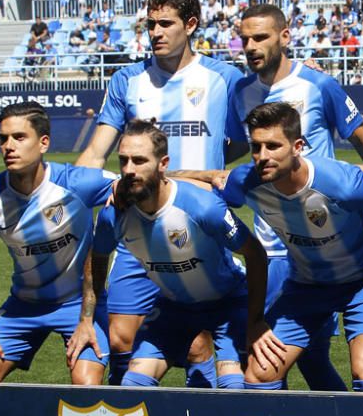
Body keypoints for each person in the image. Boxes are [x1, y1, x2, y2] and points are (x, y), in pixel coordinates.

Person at [75, 0, 246, 386]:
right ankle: (124, 412)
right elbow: (96, 154)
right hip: (138, 227)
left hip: (199, 228)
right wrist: (68, 192)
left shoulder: (225, 79)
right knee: (119, 337)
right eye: (150, 24)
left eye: (165, 24)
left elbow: (240, 142)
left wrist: (207, 174)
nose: (155, 33)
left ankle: (199, 406)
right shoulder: (127, 80)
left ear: (190, 24)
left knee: (202, 339)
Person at [227, 2, 363, 391]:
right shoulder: (241, 91)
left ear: (284, 37)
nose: (250, 46)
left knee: (318, 355)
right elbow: (233, 152)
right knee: (280, 357)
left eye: (260, 37)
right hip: (277, 242)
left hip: (331, 228)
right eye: (244, 39)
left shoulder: (319, 84)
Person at [210, 102, 363, 393]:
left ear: (297, 146)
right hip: (307, 285)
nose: (262, 156)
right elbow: (213, 180)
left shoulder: (340, 183)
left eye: (273, 146)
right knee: (259, 376)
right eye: (256, 147)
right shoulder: (247, 182)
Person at [90, 120, 269, 389]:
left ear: (163, 164)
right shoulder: (114, 215)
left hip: (228, 304)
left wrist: (256, 321)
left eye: (139, 161)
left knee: (234, 388)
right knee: (132, 386)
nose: (128, 170)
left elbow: (254, 253)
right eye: (123, 161)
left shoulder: (202, 208)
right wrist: (86, 316)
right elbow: (97, 255)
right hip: (175, 308)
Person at [0, 102, 115, 385]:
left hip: (78, 303)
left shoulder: (76, 183)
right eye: (3, 139)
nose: (9, 146)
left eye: (19, 137)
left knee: (86, 383)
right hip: (24, 303)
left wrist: (204, 177)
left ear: (43, 142)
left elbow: (140, 182)